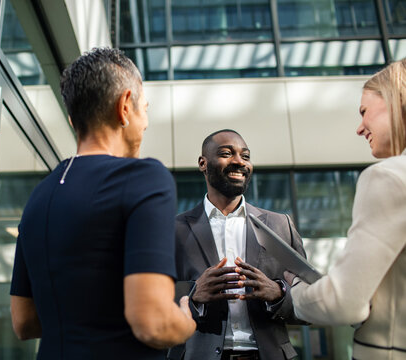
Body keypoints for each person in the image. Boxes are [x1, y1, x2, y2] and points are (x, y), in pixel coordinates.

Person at [9, 47, 195, 360]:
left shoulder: (38, 197)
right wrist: (186, 321)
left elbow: (24, 322)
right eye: (144, 109)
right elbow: (153, 324)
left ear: (72, 119)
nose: (146, 123)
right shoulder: (145, 177)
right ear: (125, 106)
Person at [287, 59, 406, 359]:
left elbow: (343, 302)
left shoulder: (387, 177)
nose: (359, 127)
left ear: (395, 99)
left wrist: (294, 290)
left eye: (364, 111)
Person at [169, 129, 307, 360]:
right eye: (226, 153)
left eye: (246, 156)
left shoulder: (280, 225)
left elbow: (313, 305)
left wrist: (279, 293)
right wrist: (193, 296)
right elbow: (152, 303)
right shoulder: (173, 230)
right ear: (203, 163)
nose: (239, 162)